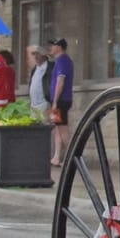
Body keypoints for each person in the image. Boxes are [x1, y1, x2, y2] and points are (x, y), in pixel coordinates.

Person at [47, 38, 75, 171]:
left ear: (59, 47)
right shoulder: (58, 61)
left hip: (61, 101)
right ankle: (56, 157)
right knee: (57, 128)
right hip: (57, 100)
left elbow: (60, 82)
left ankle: (72, 156)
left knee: (63, 129)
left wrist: (55, 102)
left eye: (53, 45)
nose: (51, 47)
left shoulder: (63, 61)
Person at [25, 44, 50, 119]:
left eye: (37, 54)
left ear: (44, 55)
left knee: (46, 123)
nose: (35, 57)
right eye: (34, 54)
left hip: (45, 104)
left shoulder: (51, 67)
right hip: (34, 105)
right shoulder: (34, 69)